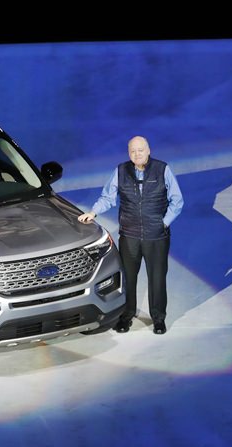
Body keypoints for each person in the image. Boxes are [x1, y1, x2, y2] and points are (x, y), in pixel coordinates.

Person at [78, 136, 183, 335]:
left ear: (149, 150)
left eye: (140, 150)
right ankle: (126, 316)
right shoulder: (120, 171)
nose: (137, 154)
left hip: (156, 237)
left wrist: (164, 222)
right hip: (130, 236)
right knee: (127, 279)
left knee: (157, 278)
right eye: (133, 151)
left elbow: (177, 200)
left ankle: (158, 319)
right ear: (129, 153)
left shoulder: (163, 169)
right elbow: (108, 197)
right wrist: (93, 212)